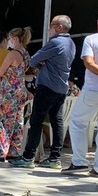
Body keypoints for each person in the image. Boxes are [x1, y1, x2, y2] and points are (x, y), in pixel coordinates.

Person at [10, 16, 76, 169]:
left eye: (51, 26)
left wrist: (42, 63)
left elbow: (33, 60)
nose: (49, 29)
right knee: (57, 122)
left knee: (36, 121)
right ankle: (55, 158)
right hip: (61, 87)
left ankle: (28, 157)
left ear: (59, 27)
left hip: (47, 86)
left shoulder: (55, 42)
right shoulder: (71, 43)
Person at [64, 9, 98, 176]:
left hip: (94, 88)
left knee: (77, 123)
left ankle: (80, 161)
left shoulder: (91, 39)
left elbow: (88, 63)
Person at [0, 28, 32, 160]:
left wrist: (0, 77)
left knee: (0, 119)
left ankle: (0, 150)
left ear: (15, 39)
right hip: (20, 90)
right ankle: (14, 150)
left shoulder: (13, 54)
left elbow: (0, 72)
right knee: (17, 120)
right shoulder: (25, 53)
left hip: (9, 91)